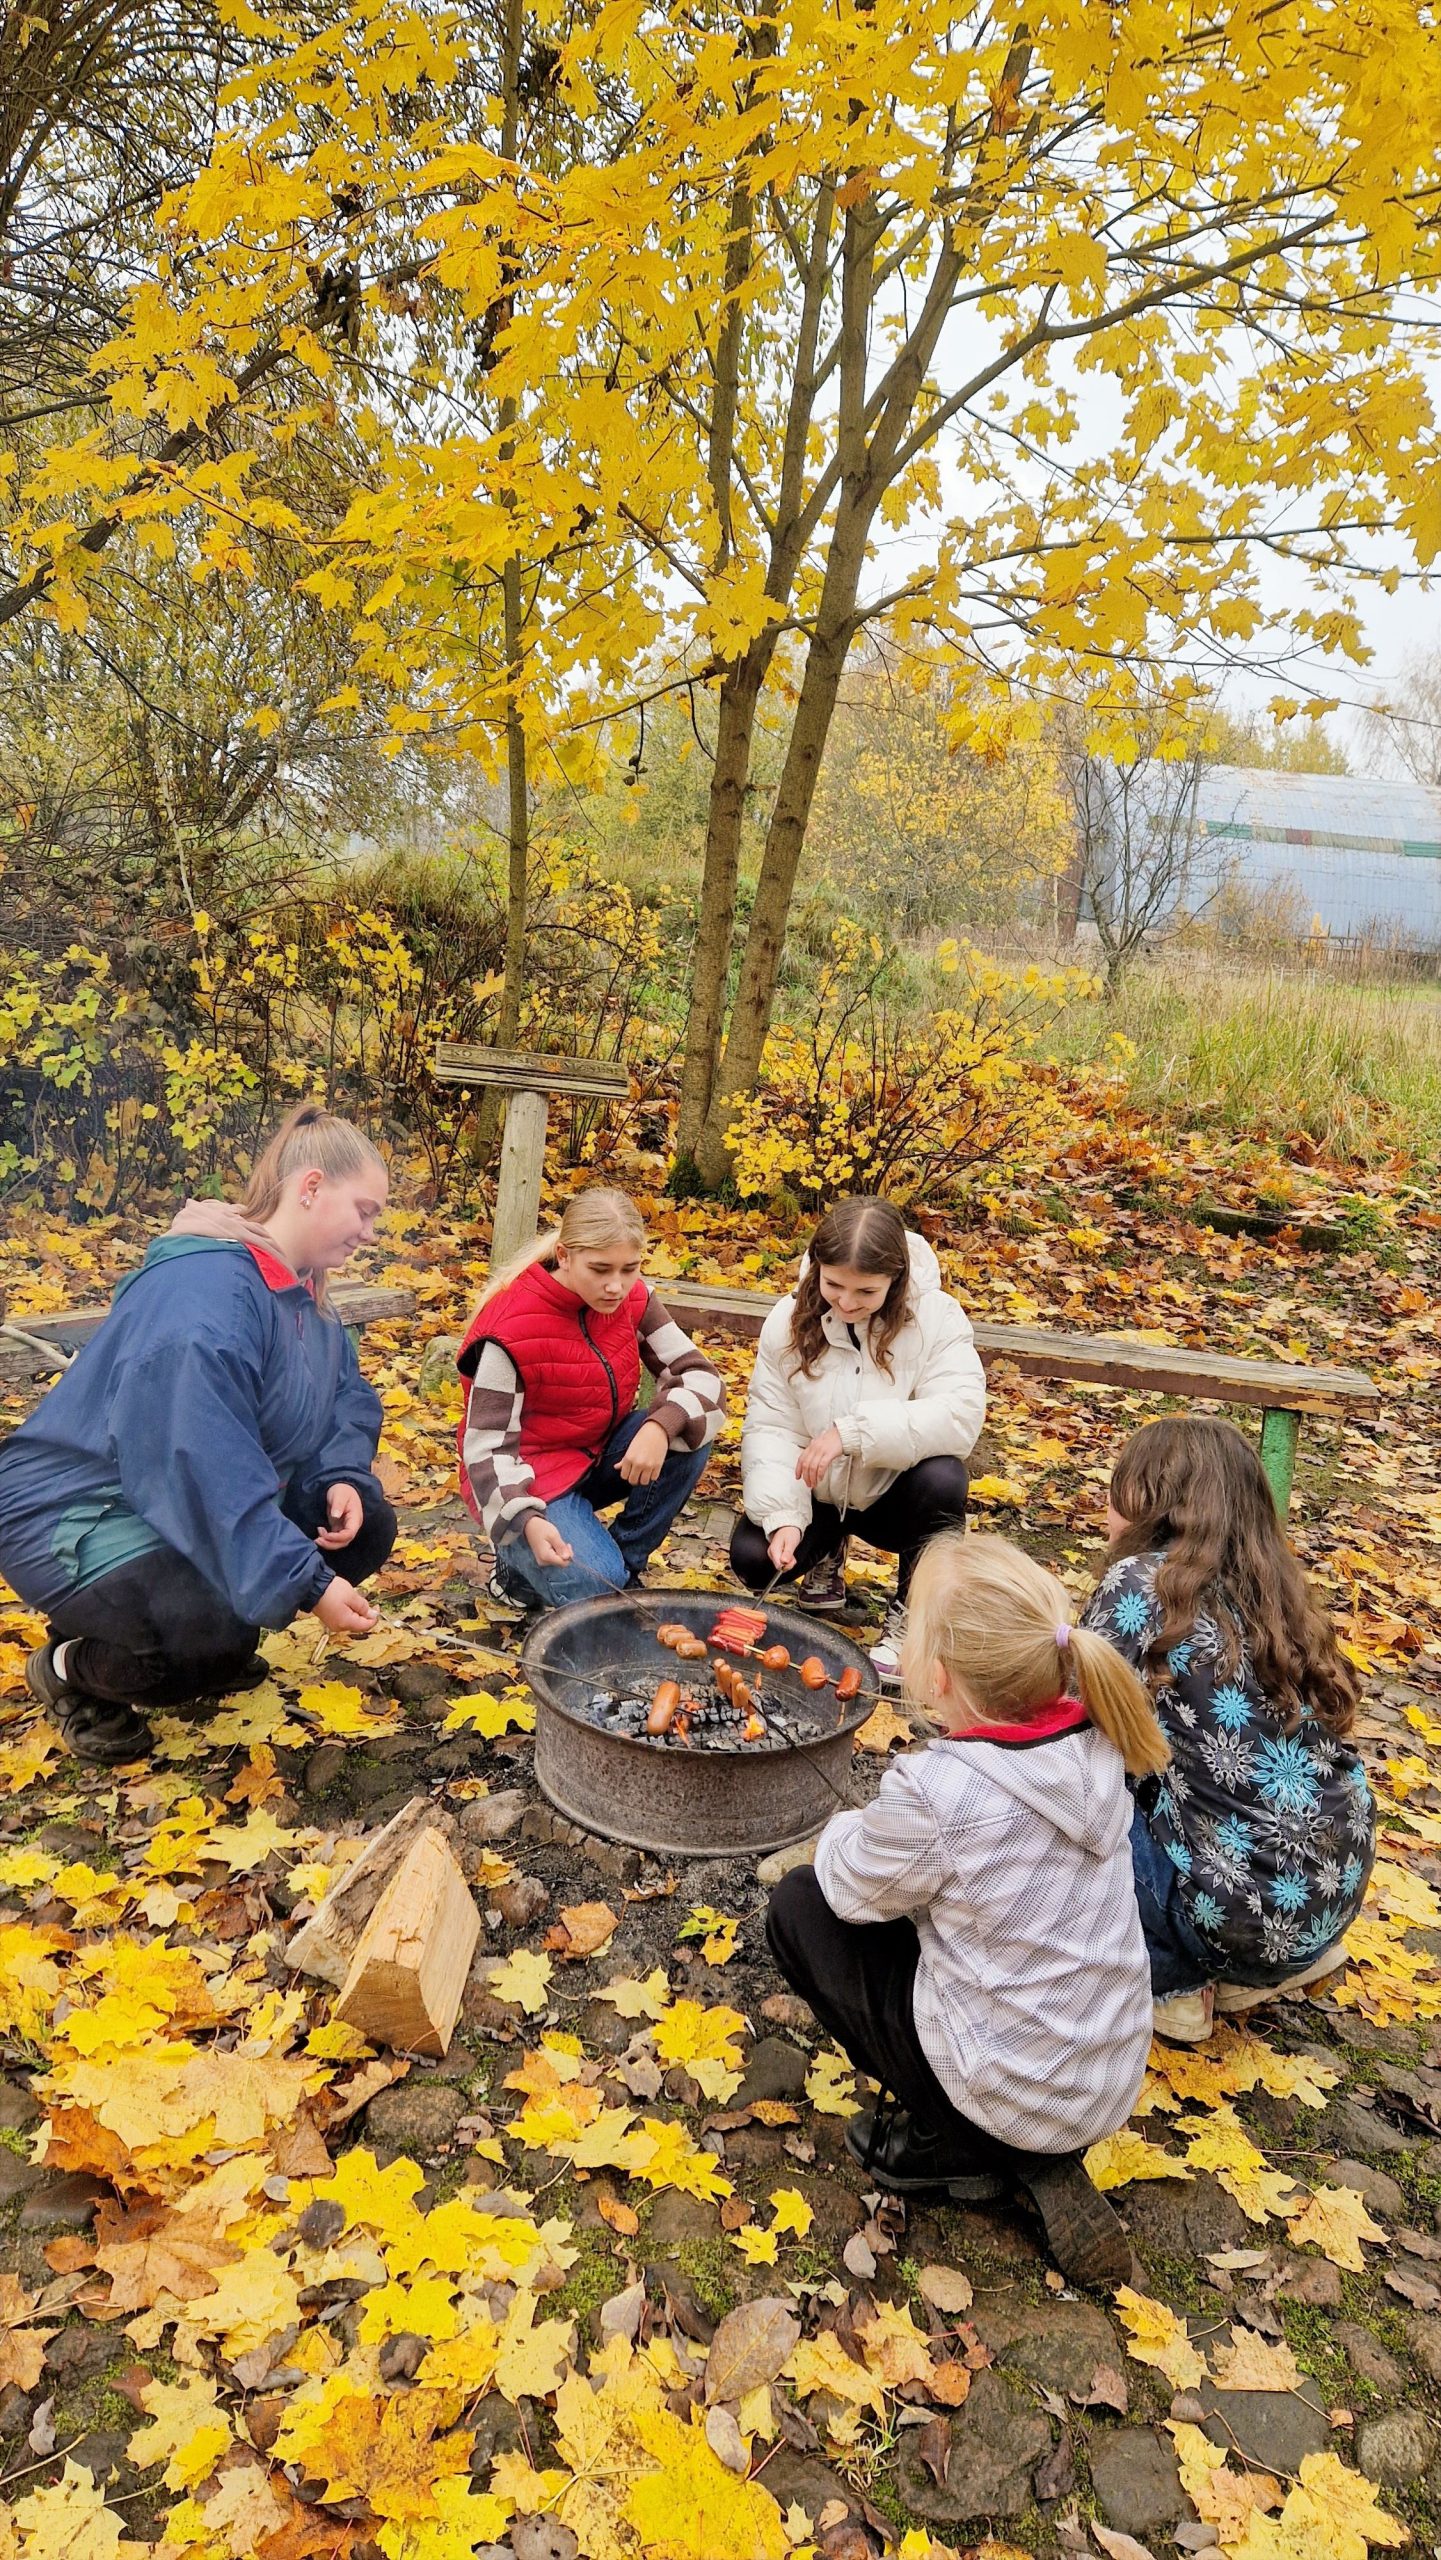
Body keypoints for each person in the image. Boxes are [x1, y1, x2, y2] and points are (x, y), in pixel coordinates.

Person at [766, 1532, 1166, 2289]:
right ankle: (1034, 2144)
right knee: (936, 1905)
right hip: (1103, 2076)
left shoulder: (938, 1791)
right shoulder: (1097, 1741)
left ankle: (962, 2145)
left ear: (939, 1676)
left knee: (798, 1908)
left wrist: (847, 1827)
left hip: (1005, 2087)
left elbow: (847, 1887)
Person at [0, 1104, 396, 1764]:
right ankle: (69, 1666)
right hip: (76, 1509)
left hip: (172, 1489)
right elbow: (201, 1460)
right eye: (364, 1211)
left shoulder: (304, 1293)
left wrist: (342, 1475)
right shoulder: (207, 1294)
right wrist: (307, 1583)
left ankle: (204, 1629)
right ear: (311, 1187)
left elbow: (344, 1399)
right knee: (199, 1639)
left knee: (367, 1525)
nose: (370, 1232)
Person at [1083, 1416, 1375, 2045]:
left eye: (1117, 1490)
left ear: (1151, 1502)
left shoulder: (1139, 1582)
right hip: (1333, 1886)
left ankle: (1173, 1983)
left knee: (1073, 1793)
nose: (1105, 1509)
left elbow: (1076, 1715)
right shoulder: (1274, 1587)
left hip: (1235, 1912)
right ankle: (1271, 1965)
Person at [731, 1196, 984, 1681]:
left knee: (944, 1478)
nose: (846, 1303)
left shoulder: (937, 1318)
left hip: (893, 1495)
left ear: (896, 1279)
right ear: (817, 1268)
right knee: (752, 1559)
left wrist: (852, 1433)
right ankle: (824, 1554)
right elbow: (772, 1426)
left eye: (866, 1291)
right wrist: (784, 1518)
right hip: (820, 1492)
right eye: (833, 1285)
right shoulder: (787, 1319)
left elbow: (960, 1416)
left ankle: (913, 1615)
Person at [457, 1186, 725, 1614]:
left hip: (597, 1455)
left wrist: (660, 1427)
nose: (616, 1286)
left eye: (629, 1268)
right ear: (565, 1256)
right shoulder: (509, 1329)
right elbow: (485, 1449)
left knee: (689, 1428)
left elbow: (701, 1377)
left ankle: (623, 1570)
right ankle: (518, 1566)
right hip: (527, 1478)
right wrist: (525, 1520)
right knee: (593, 1583)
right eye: (600, 1270)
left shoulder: (635, 1299)